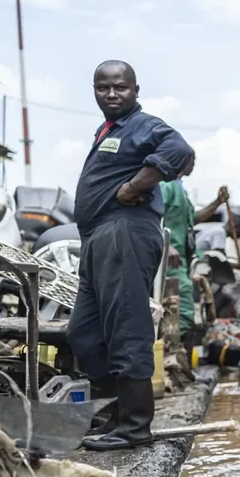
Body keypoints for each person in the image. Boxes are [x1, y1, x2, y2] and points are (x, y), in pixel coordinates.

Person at [69, 60, 194, 451]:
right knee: (84, 334)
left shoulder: (142, 125)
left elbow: (180, 150)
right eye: (102, 88)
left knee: (127, 329)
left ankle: (135, 427)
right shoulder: (108, 129)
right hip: (98, 240)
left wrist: (135, 185)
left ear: (135, 91)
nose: (111, 94)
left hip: (125, 233)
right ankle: (112, 416)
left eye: (119, 88)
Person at [160, 177, 227, 344]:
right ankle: (173, 352)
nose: (193, 163)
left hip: (181, 261)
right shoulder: (165, 186)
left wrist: (217, 202)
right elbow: (151, 215)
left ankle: (176, 353)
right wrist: (164, 243)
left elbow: (192, 218)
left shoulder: (179, 189)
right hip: (169, 261)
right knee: (177, 309)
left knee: (176, 309)